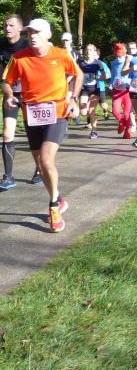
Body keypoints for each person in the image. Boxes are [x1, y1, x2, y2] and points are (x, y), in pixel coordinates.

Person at [3, 18, 82, 232]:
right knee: (40, 166)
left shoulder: (61, 55)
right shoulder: (19, 58)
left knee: (47, 160)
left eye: (36, 32)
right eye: (29, 33)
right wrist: (9, 95)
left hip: (57, 112)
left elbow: (78, 74)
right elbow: (6, 81)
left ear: (48, 35)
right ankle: (58, 197)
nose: (32, 36)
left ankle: (54, 206)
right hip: (32, 115)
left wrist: (73, 99)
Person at [0, 14, 30, 189]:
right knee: (7, 134)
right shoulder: (1, 45)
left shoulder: (28, 45)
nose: (7, 28)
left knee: (34, 135)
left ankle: (40, 170)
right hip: (10, 94)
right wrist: (8, 93)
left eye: (11, 25)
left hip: (30, 95)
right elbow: (2, 76)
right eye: (5, 25)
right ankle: (8, 177)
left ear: (20, 28)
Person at [78, 44, 107, 139]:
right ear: (85, 51)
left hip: (95, 89)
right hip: (84, 89)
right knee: (83, 112)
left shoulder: (98, 63)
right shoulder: (81, 62)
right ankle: (92, 118)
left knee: (91, 111)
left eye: (90, 50)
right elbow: (76, 74)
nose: (88, 51)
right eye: (87, 50)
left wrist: (99, 77)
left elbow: (104, 76)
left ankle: (94, 131)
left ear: (94, 51)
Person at [109, 42, 134, 139]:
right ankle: (121, 121)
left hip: (127, 90)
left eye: (121, 55)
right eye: (117, 54)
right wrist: (111, 83)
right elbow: (113, 75)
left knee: (127, 113)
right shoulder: (113, 63)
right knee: (115, 111)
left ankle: (127, 130)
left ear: (125, 52)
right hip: (116, 91)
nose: (119, 57)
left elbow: (134, 74)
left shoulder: (130, 61)